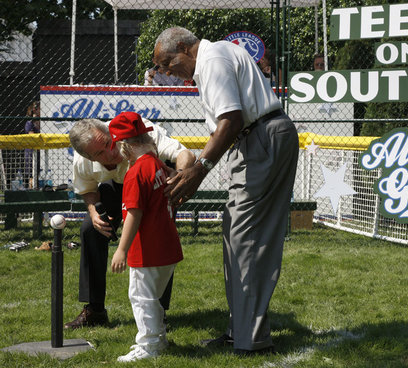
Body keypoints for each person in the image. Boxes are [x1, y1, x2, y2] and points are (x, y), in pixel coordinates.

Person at [154, 27, 299, 355]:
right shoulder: (212, 59)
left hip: (259, 137)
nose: (167, 72)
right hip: (257, 138)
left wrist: (199, 169)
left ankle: (250, 339)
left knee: (245, 238)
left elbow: (231, 120)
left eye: (166, 63)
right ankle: (241, 330)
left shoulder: (213, 57)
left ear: (184, 49)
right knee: (239, 236)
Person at [65, 115, 195, 329]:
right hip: (118, 184)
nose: (110, 153)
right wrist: (94, 213)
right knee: (90, 230)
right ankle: (95, 310)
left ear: (110, 133)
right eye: (99, 153)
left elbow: (185, 154)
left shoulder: (138, 133)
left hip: (151, 179)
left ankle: (158, 313)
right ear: (88, 157)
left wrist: (178, 177)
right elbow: (87, 189)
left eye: (109, 143)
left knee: (155, 235)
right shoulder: (82, 162)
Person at [109, 112, 184, 362]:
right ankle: (158, 338)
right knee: (151, 297)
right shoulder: (155, 162)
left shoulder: (136, 171)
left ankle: (150, 345)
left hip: (148, 248)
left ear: (127, 146)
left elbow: (134, 214)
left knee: (141, 297)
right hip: (167, 245)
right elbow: (171, 178)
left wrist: (121, 250)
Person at [24, 101, 40, 188]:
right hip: (31, 151)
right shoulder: (29, 123)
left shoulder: (43, 122)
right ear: (35, 109)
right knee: (32, 174)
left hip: (41, 150)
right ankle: (32, 189)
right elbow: (31, 135)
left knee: (40, 174)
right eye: (40, 109)